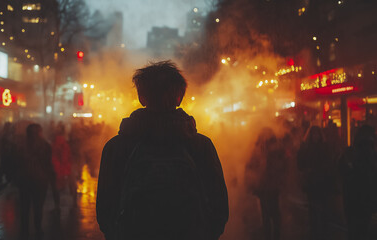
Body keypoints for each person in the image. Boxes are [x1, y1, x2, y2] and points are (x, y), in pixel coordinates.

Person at [96, 61, 229, 240]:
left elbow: (105, 212)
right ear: (180, 96)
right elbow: (219, 208)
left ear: (142, 97)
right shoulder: (201, 146)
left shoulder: (117, 147)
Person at [246, 128, 286, 240]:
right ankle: (268, 235)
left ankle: (276, 234)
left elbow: (283, 165)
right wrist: (251, 182)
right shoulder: (257, 149)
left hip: (272, 185)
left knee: (274, 212)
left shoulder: (277, 148)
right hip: (262, 185)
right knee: (266, 213)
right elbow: (250, 166)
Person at [15, 123, 55, 238]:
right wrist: (51, 178)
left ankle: (24, 230)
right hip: (40, 181)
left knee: (24, 207)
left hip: (24, 180)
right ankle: (38, 229)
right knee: (38, 207)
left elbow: (16, 163)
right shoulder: (45, 145)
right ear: (40, 132)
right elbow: (48, 164)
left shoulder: (21, 146)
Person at [339, 125, 377, 240]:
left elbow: (342, 171)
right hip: (367, 199)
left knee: (354, 231)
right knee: (364, 229)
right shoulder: (372, 154)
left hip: (352, 199)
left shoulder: (350, 152)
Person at [297, 126, 331, 240]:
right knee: (313, 210)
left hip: (322, 182)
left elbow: (328, 164)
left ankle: (323, 232)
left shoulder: (324, 147)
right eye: (313, 134)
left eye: (317, 134)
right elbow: (300, 163)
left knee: (323, 209)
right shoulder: (307, 148)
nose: (315, 136)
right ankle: (315, 232)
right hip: (313, 183)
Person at [51, 122, 76, 210]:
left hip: (56, 168)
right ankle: (74, 202)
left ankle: (57, 205)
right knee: (70, 184)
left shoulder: (54, 144)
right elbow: (65, 158)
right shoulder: (64, 143)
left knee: (56, 188)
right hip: (64, 168)